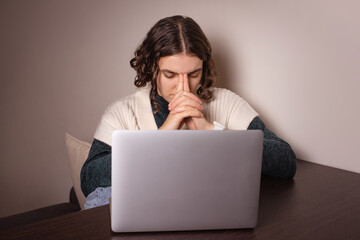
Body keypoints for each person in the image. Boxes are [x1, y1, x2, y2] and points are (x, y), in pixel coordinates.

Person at [80, 15, 297, 204]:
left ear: (204, 68)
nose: (184, 88)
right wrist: (162, 136)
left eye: (193, 74)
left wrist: (211, 132)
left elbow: (286, 162)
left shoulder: (226, 103)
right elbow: (89, 180)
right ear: (151, 68)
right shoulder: (122, 112)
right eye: (170, 75)